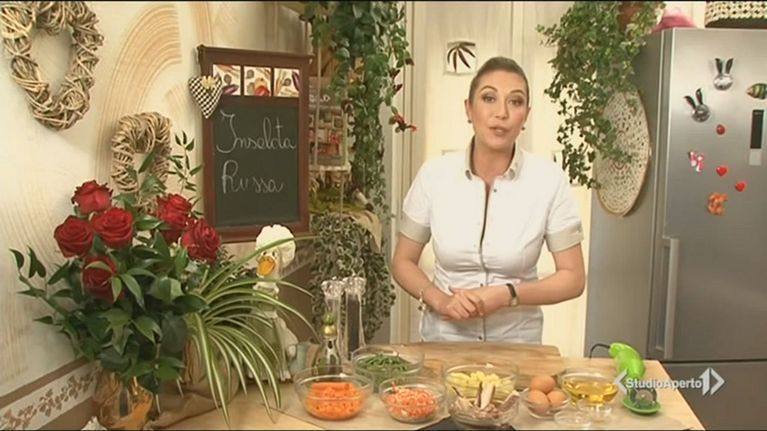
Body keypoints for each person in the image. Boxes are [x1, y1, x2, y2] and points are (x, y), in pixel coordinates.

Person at [391, 56, 586, 344]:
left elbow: (573, 277)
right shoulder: (434, 176)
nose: (501, 113)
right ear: (468, 109)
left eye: (515, 102)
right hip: (444, 342)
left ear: (526, 116)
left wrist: (508, 294)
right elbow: (403, 261)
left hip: (517, 347)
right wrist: (441, 301)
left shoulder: (549, 181)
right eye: (489, 98)